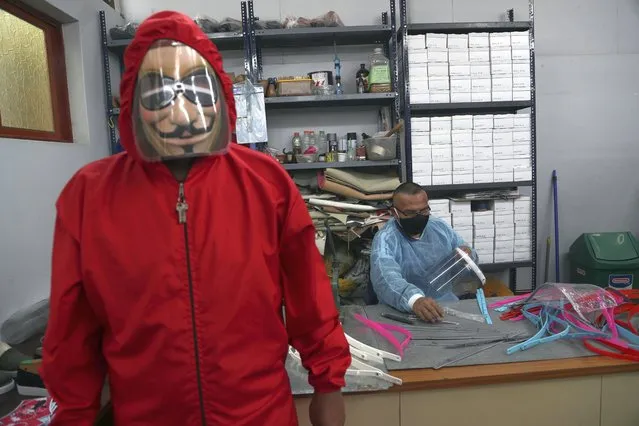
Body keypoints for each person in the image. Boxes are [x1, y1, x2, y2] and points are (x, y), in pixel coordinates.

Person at [41, 11, 350, 426]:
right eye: (160, 92)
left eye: (197, 91)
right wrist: (75, 413)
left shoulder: (265, 183)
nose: (181, 111)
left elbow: (308, 294)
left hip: (259, 415)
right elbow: (71, 327)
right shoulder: (89, 196)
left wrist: (327, 384)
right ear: (131, 99)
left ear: (221, 94)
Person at [370, 183, 478, 322]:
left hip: (446, 306)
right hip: (402, 311)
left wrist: (467, 254)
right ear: (394, 213)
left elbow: (466, 251)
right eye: (410, 213)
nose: (419, 217)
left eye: (424, 210)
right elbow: (386, 279)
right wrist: (415, 300)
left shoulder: (439, 227)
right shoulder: (386, 240)